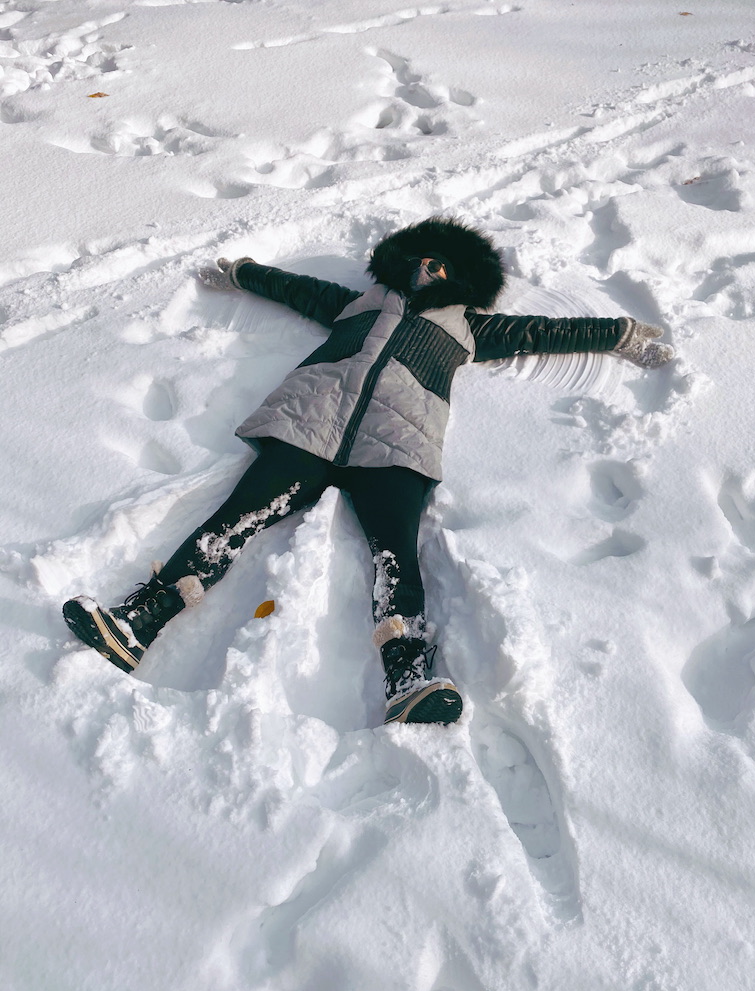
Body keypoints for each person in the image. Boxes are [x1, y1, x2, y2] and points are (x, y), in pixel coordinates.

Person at [62, 217, 673, 725]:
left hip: (396, 449)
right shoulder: (360, 301)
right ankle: (138, 621)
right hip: (307, 427)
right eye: (425, 259)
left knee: (395, 556)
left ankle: (408, 678)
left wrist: (621, 334)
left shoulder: (467, 327)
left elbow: (545, 332)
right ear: (405, 258)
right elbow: (295, 289)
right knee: (234, 522)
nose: (430, 271)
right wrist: (242, 273)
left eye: (443, 267)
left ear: (461, 279)